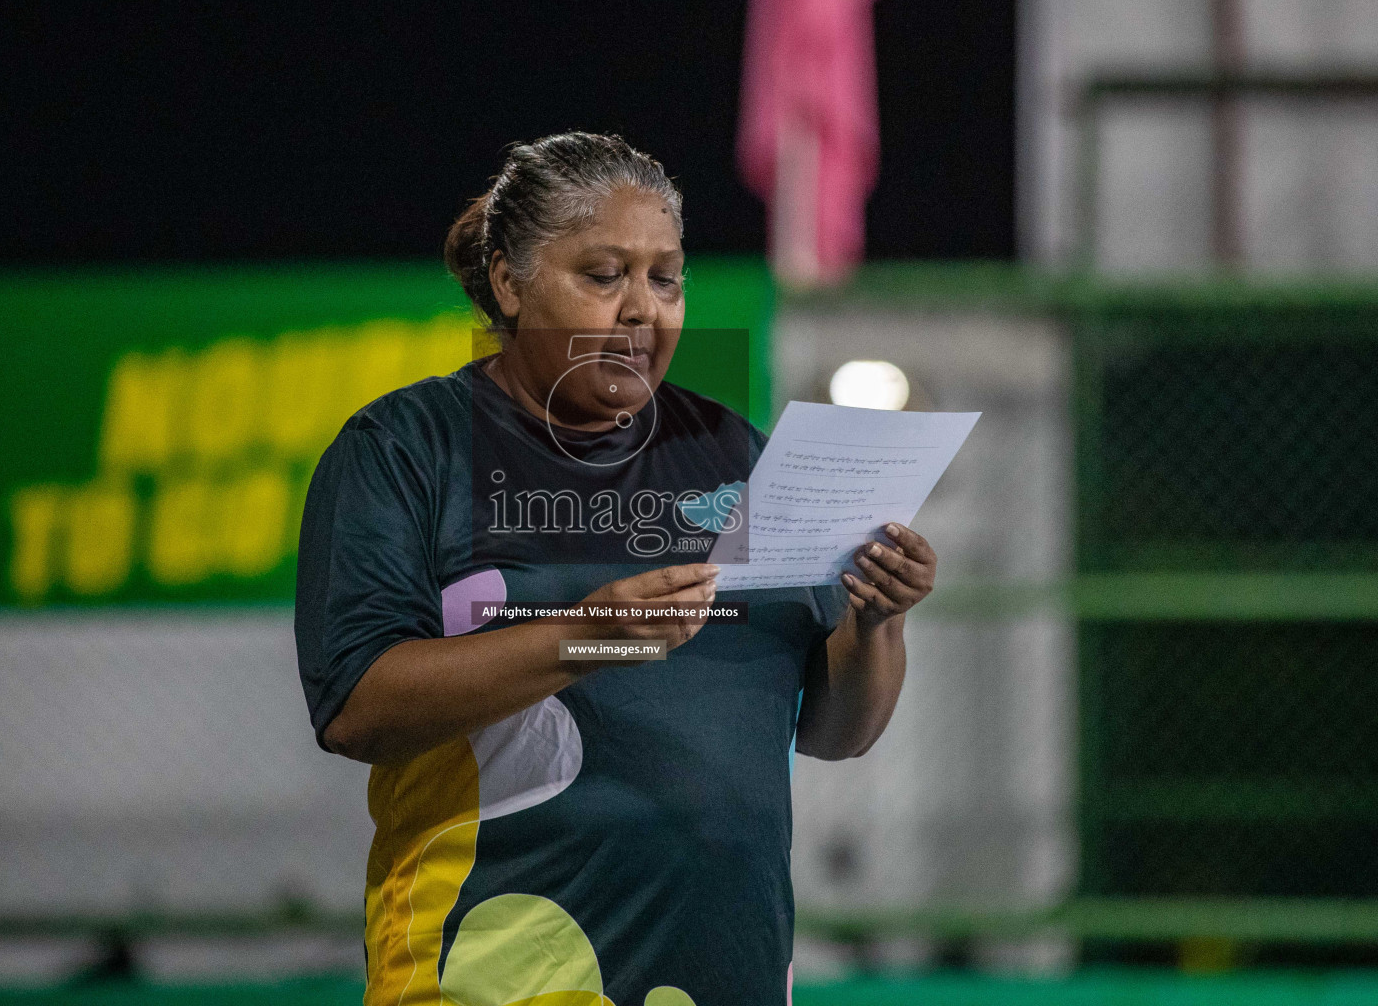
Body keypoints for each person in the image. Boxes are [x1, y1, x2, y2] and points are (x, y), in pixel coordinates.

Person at [295, 132, 937, 1006]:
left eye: (665, 278)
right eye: (604, 276)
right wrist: (589, 638)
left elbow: (834, 732)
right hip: (494, 976)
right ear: (510, 284)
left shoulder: (733, 454)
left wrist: (878, 619)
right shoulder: (409, 449)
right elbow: (355, 709)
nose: (644, 308)